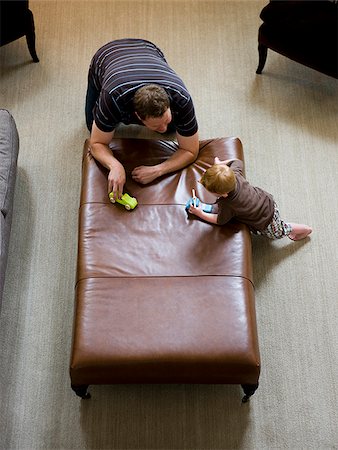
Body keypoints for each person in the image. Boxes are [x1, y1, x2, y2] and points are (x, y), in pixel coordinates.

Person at [85, 38, 199, 198]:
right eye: (156, 126)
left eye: (165, 120)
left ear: (169, 105)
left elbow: (190, 150)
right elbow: (96, 143)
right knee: (92, 126)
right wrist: (115, 166)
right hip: (106, 56)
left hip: (148, 48)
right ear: (137, 117)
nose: (163, 128)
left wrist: (158, 170)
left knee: (173, 129)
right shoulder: (113, 97)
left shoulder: (181, 98)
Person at [187, 157, 312, 241]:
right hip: (267, 201)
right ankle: (289, 226)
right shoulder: (235, 174)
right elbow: (237, 161)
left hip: (265, 220)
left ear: (223, 194)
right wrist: (221, 164)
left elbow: (219, 220)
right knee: (278, 220)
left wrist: (200, 213)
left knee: (280, 231)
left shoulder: (228, 204)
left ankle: (304, 229)